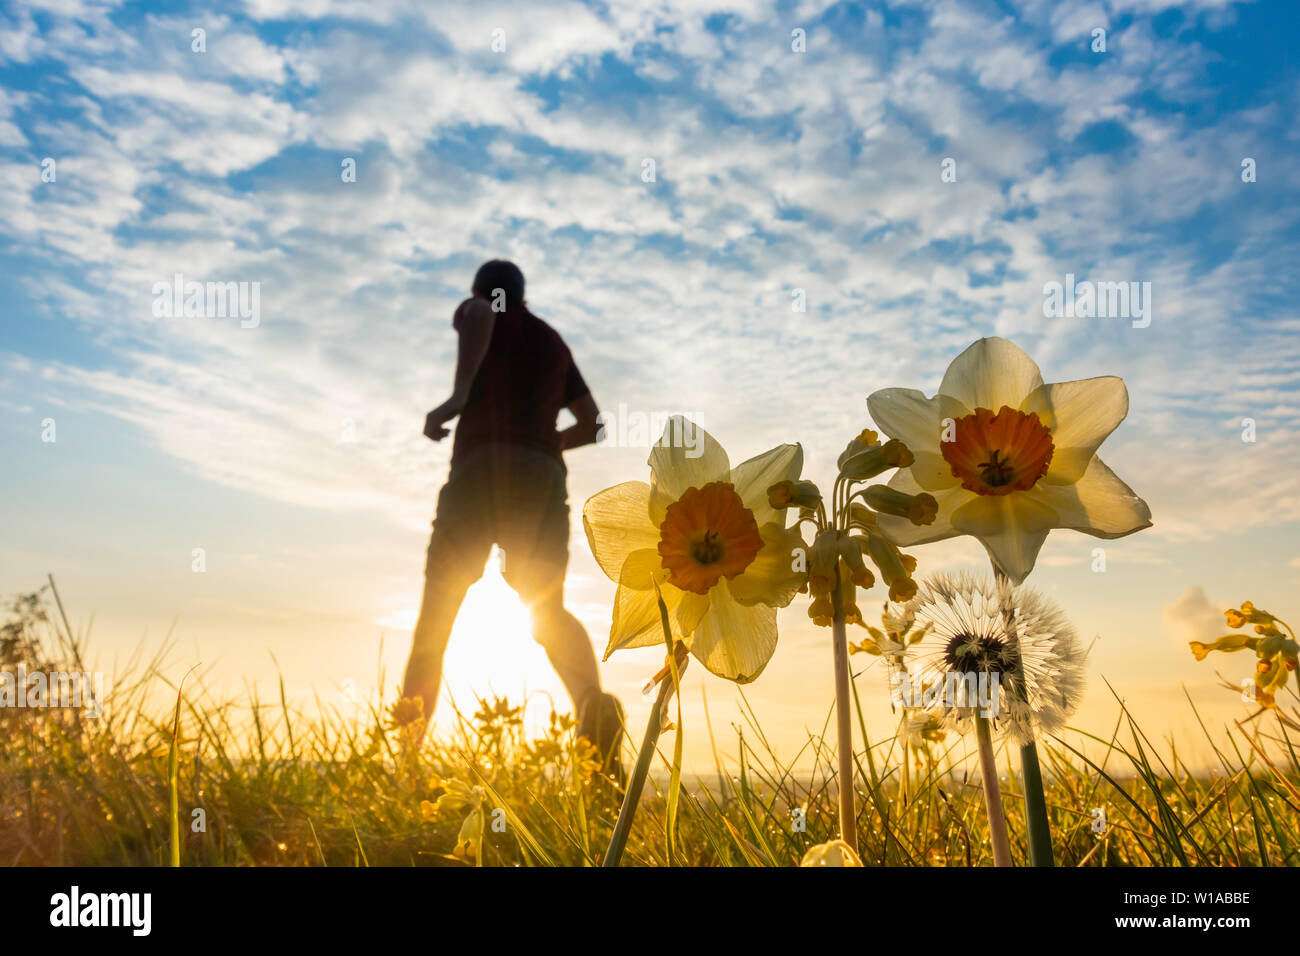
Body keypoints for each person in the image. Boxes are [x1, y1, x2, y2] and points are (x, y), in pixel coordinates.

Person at [399, 259, 624, 780]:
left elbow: (479, 313)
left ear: (485, 292)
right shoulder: (552, 340)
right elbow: (594, 426)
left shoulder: (482, 309)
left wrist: (457, 398)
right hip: (541, 478)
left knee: (437, 615)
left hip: (481, 471)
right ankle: (594, 706)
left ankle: (407, 766)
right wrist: (544, 442)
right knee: (547, 609)